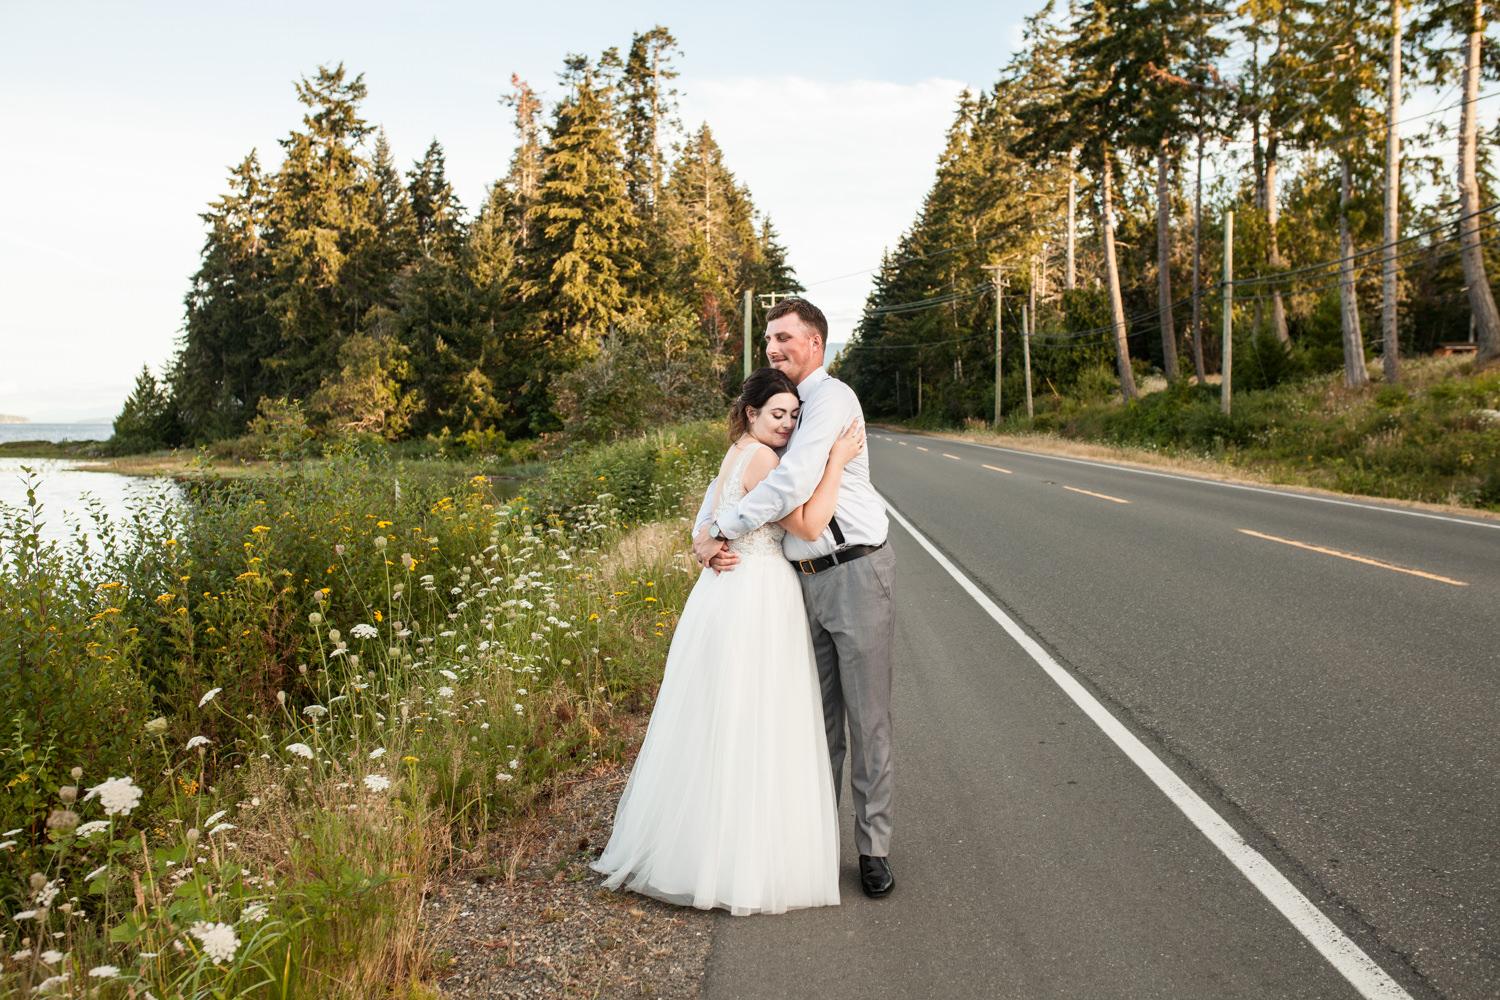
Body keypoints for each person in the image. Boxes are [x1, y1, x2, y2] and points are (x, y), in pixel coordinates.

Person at [592, 367, 866, 915]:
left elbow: (715, 516)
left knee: (720, 713)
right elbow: (810, 526)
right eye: (777, 414)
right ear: (750, 414)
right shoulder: (765, 460)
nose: (788, 424)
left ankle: (703, 844)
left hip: (725, 590)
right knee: (759, 716)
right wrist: (837, 461)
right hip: (758, 592)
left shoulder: (737, 452)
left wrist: (703, 542)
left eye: (794, 415)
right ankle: (745, 858)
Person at [692, 297, 896, 900]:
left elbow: (790, 487)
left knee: (867, 720)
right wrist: (703, 536)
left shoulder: (831, 401)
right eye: (769, 340)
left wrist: (723, 530)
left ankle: (873, 848)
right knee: (815, 721)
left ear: (816, 342)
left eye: (785, 337)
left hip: (854, 569)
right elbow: (722, 484)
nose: (774, 347)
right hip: (794, 582)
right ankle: (809, 843)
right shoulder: (787, 410)